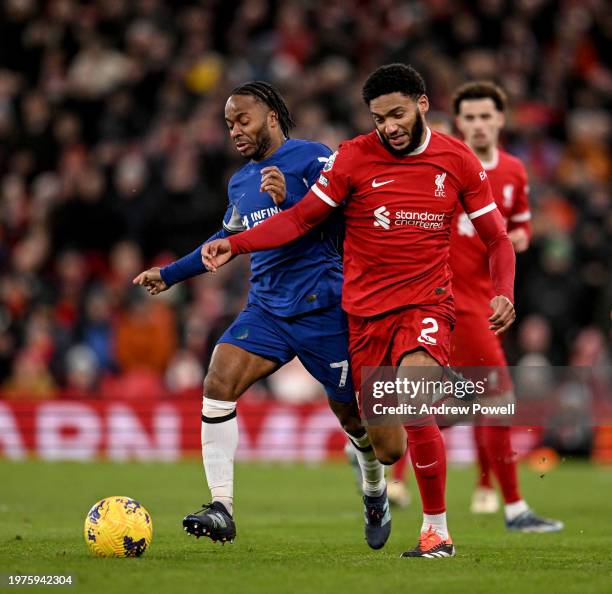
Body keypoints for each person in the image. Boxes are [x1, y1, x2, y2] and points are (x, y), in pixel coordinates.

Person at [202, 64, 517, 558]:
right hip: (365, 316)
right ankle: (446, 403)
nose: (388, 126)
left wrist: (504, 291)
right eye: (378, 117)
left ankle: (436, 533)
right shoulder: (351, 157)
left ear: (422, 104)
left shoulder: (457, 160)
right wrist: (236, 244)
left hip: (426, 303)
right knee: (389, 447)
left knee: (412, 400)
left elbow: (497, 237)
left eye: (397, 114)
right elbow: (302, 220)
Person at [133, 82, 390, 549]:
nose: (235, 130)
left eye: (243, 120)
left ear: (271, 116)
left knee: (352, 417)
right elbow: (227, 238)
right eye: (229, 123)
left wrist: (292, 196)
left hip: (325, 310)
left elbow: (349, 220)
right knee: (217, 382)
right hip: (267, 309)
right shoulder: (241, 181)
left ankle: (374, 490)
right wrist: (170, 275)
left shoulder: (314, 158)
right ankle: (221, 507)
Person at [450, 81, 563, 532]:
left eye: (486, 116)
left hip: (488, 300)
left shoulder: (514, 171)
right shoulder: (447, 167)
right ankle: (515, 509)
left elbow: (522, 228)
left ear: (500, 119)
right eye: (470, 117)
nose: (478, 125)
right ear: (459, 123)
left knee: (467, 402)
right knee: (497, 398)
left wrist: (514, 240)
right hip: (451, 300)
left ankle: (376, 444)